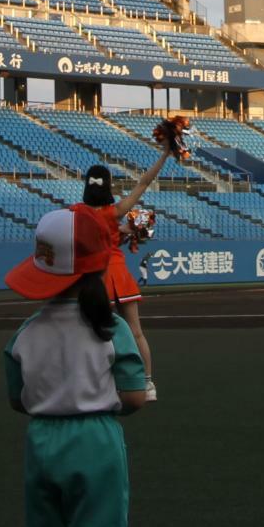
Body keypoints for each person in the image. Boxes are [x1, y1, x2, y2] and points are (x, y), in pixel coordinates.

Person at [4, 208, 150, 527]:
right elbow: (132, 397)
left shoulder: (25, 333)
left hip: (43, 441)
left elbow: (17, 399)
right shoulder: (111, 329)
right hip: (94, 441)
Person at [81, 140, 174, 402]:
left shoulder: (79, 213)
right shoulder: (116, 211)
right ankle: (147, 384)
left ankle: (103, 383)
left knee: (98, 332)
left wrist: (121, 233)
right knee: (135, 331)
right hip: (119, 274)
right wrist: (165, 154)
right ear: (108, 185)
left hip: (97, 277)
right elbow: (143, 182)